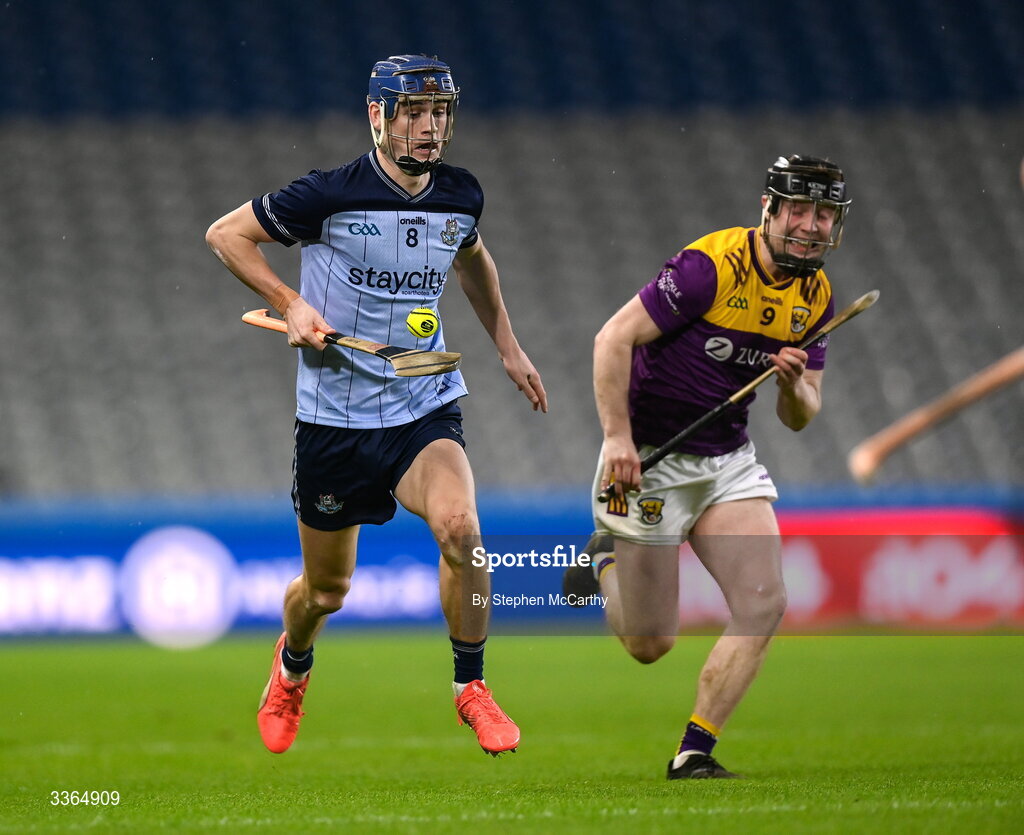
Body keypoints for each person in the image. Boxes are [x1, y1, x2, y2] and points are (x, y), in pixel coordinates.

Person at [206, 54, 547, 756]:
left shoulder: (461, 195)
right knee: (326, 592)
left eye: (441, 113)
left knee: (460, 528)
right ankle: (293, 663)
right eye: (415, 113)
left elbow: (473, 259)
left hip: (422, 402)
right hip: (334, 418)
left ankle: (471, 686)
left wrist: (508, 346)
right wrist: (292, 302)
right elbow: (224, 235)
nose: (431, 128)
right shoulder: (327, 194)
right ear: (379, 117)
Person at [564, 155, 850, 779]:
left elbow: (803, 415)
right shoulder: (710, 267)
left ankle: (695, 750)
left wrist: (791, 386)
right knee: (649, 644)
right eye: (798, 209)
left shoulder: (817, 296)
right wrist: (618, 439)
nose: (810, 225)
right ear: (769, 211)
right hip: (649, 463)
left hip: (728, 462)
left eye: (824, 213)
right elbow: (612, 338)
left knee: (765, 602)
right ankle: (604, 559)